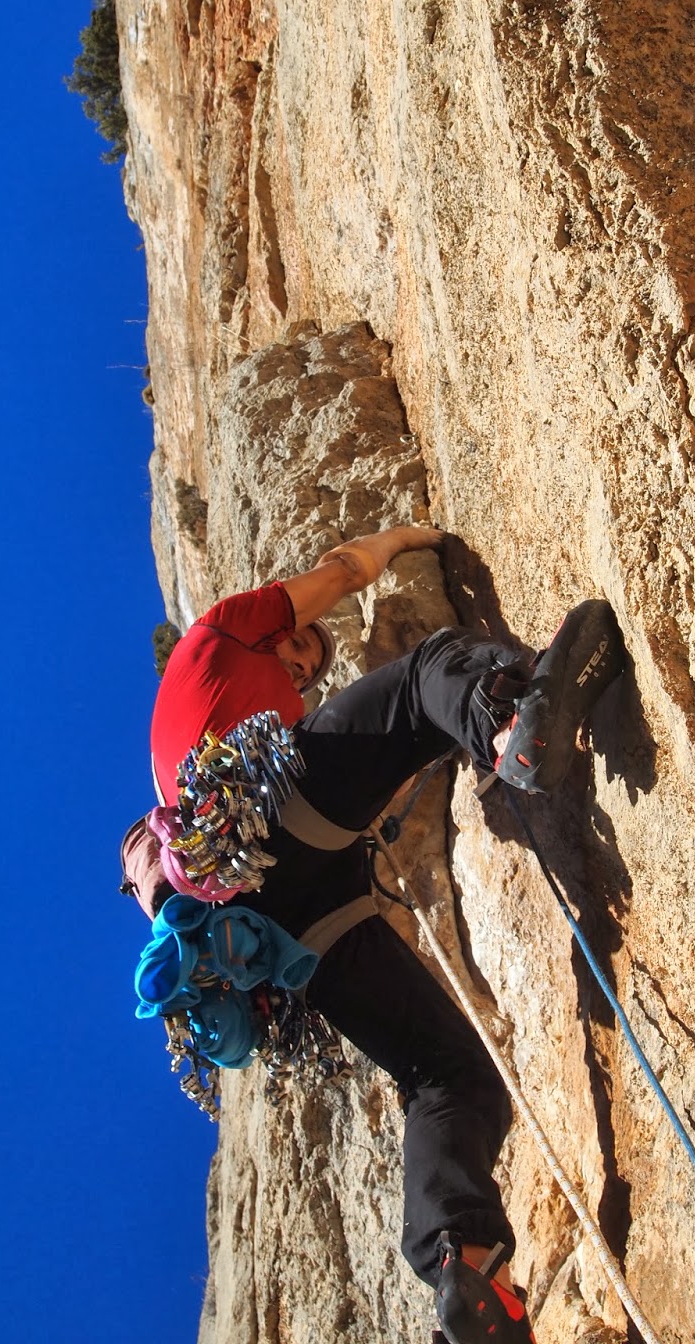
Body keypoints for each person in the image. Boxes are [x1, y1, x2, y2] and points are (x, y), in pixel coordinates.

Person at [143, 525, 625, 1344]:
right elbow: (344, 570)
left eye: (307, 671)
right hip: (273, 825)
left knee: (447, 1074)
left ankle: (470, 1276)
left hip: (278, 930)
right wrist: (411, 535)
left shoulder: (176, 772)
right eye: (296, 650)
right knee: (429, 674)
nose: (299, 669)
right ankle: (513, 727)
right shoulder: (217, 635)